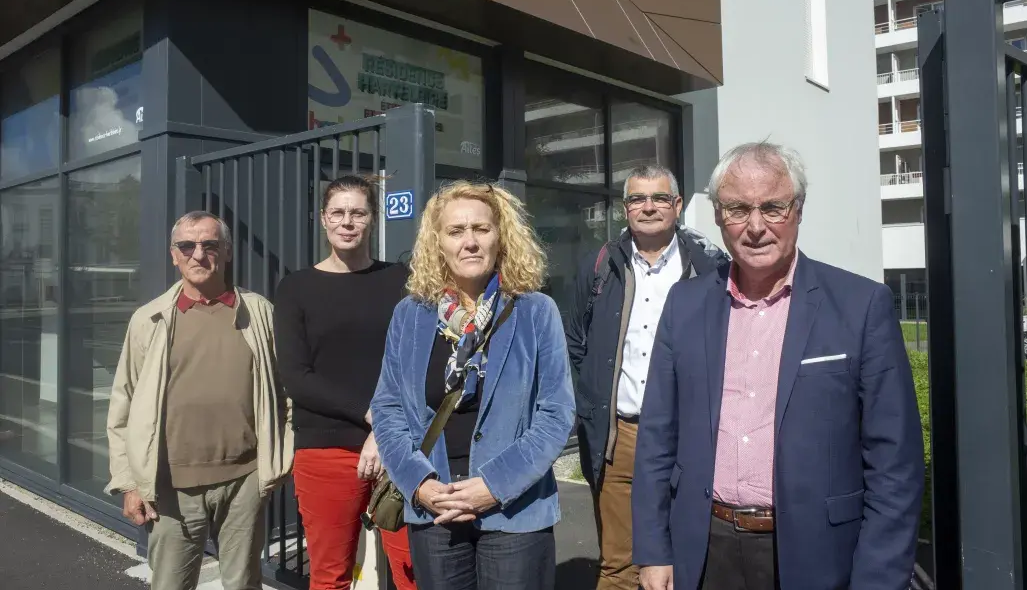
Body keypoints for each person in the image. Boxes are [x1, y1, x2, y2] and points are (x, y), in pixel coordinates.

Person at [633, 142, 925, 590]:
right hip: (704, 549)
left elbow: (894, 465)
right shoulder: (685, 304)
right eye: (737, 209)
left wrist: (879, 579)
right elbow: (657, 436)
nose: (755, 227)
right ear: (716, 216)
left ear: (799, 209)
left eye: (773, 207)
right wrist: (653, 551)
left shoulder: (860, 306)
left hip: (818, 557)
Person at [370, 181, 575, 590]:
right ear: (437, 242)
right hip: (436, 507)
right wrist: (419, 483)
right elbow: (388, 407)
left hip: (515, 511)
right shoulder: (410, 314)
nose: (470, 242)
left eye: (481, 229)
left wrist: (493, 487)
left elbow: (556, 414)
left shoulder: (536, 310)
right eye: (456, 231)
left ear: (501, 237)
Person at [106, 211, 293, 590]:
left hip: (244, 480)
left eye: (210, 245)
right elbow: (122, 404)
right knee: (171, 584)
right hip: (170, 486)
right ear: (173, 255)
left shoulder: (259, 313)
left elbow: (286, 391)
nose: (198, 254)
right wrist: (128, 483)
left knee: (242, 583)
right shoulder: (149, 319)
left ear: (226, 252)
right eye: (187, 246)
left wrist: (280, 458)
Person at [565, 164, 728, 590]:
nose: (648, 207)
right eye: (637, 198)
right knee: (619, 565)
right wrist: (590, 409)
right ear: (625, 209)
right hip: (621, 436)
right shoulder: (600, 266)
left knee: (689, 557)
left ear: (677, 205)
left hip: (691, 436)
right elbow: (576, 344)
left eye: (659, 198)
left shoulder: (711, 268)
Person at [273, 175, 416, 590]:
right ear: (323, 219)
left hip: (402, 448)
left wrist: (386, 431)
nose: (347, 222)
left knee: (414, 571)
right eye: (338, 212)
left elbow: (415, 365)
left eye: (358, 212)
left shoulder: (401, 281)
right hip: (326, 449)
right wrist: (372, 414)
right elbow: (297, 377)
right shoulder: (296, 288)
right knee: (331, 575)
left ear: (372, 220)